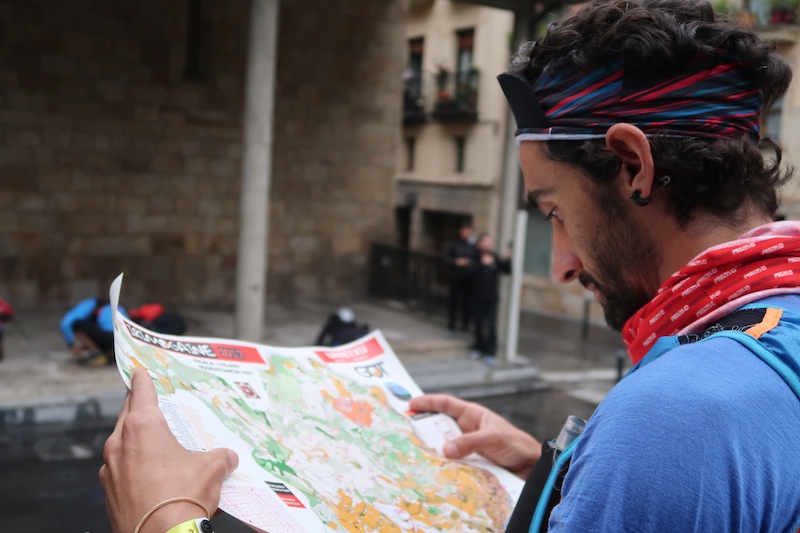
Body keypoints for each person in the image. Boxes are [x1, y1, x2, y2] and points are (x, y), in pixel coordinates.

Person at [100, 1, 800, 531]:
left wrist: (162, 519)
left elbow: (685, 452)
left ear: (632, 164)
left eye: (553, 210)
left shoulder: (674, 421)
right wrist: (564, 475)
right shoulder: (773, 333)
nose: (561, 264)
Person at [469, 233, 511, 362]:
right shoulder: (474, 256)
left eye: (490, 241)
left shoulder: (494, 256)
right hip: (477, 296)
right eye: (486, 241)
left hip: (491, 297)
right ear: (481, 243)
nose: (489, 244)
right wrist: (481, 263)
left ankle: (491, 352)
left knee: (491, 325)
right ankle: (479, 348)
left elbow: (506, 270)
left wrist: (507, 258)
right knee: (478, 324)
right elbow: (468, 271)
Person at [60, 296, 127, 367]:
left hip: (109, 337)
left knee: (77, 325)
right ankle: (110, 353)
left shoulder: (90, 304)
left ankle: (98, 354)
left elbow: (65, 323)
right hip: (122, 341)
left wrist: (71, 344)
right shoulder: (118, 307)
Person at [443, 221, 478, 337]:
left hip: (469, 279)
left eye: (468, 231)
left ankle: (464, 328)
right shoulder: (454, 244)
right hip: (456, 277)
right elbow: (446, 258)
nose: (466, 233)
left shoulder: (473, 245)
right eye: (464, 231)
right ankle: (451, 327)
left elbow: (477, 260)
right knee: (453, 304)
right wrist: (455, 261)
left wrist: (469, 262)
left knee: (467, 305)